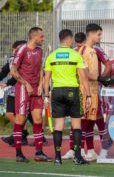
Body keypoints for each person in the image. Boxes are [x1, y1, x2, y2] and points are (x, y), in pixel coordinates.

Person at [44, 29, 91, 165]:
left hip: (57, 91)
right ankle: (77, 157)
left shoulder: (51, 56)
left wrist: (46, 95)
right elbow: (83, 78)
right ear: (70, 39)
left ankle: (57, 158)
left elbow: (46, 80)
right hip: (72, 91)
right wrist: (88, 95)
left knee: (59, 125)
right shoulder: (75, 55)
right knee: (76, 125)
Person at [11, 27, 51, 162]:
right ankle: (18, 153)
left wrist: (40, 85)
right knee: (20, 120)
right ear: (34, 37)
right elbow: (13, 71)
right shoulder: (22, 49)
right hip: (23, 88)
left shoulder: (39, 51)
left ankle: (39, 152)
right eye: (42, 37)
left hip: (36, 89)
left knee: (38, 118)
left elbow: (40, 69)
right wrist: (26, 84)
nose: (43, 39)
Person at [77, 24, 114, 161]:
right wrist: (101, 78)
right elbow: (83, 73)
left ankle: (94, 151)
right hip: (85, 91)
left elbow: (105, 66)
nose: (100, 37)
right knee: (87, 121)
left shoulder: (95, 50)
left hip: (95, 90)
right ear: (91, 34)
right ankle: (90, 150)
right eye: (99, 34)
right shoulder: (82, 50)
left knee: (94, 120)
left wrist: (103, 80)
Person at [0, 40, 28, 146]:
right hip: (12, 92)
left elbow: (18, 76)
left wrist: (7, 84)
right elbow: (3, 73)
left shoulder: (25, 59)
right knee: (10, 114)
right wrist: (6, 83)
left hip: (23, 90)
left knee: (24, 116)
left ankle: (20, 136)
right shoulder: (11, 60)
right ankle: (22, 134)